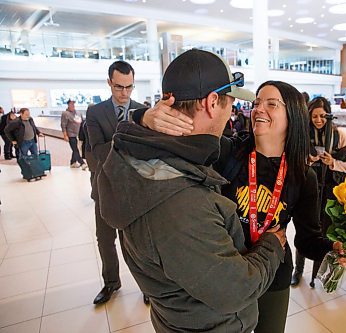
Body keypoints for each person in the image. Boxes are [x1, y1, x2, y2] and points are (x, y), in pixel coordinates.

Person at [137, 81, 346, 333]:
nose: (258, 109)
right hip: (227, 269)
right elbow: (180, 138)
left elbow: (307, 239)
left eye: (271, 104)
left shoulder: (303, 176)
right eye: (257, 103)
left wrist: (334, 249)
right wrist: (144, 117)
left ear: (293, 116)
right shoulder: (228, 151)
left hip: (273, 271)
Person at [97, 49, 286, 332]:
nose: (233, 111)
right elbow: (235, 289)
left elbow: (120, 140)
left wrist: (139, 119)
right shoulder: (182, 204)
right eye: (230, 102)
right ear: (212, 102)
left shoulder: (130, 158)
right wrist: (272, 246)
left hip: (174, 318)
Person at [85, 60, 147, 305]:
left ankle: (147, 285)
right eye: (119, 87)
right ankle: (111, 283)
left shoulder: (142, 111)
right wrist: (128, 143)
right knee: (105, 238)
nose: (124, 93)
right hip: (105, 187)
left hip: (134, 189)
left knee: (137, 242)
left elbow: (147, 151)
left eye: (129, 87)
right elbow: (98, 150)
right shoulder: (95, 112)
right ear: (109, 82)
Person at [291, 96, 346, 287]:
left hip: (330, 191)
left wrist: (332, 162)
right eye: (314, 116)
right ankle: (298, 270)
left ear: (329, 115)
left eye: (322, 116)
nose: (318, 120)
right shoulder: (302, 134)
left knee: (324, 232)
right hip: (307, 189)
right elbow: (293, 162)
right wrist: (308, 161)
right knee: (305, 230)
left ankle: (316, 274)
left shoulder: (338, 135)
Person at [61, 99, 87, 169]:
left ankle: (73, 162)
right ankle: (82, 163)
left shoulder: (78, 113)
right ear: (68, 105)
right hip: (71, 134)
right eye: (71, 104)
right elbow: (63, 125)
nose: (72, 105)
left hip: (78, 134)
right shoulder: (65, 113)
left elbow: (82, 122)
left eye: (73, 103)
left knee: (75, 148)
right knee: (75, 149)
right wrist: (65, 135)